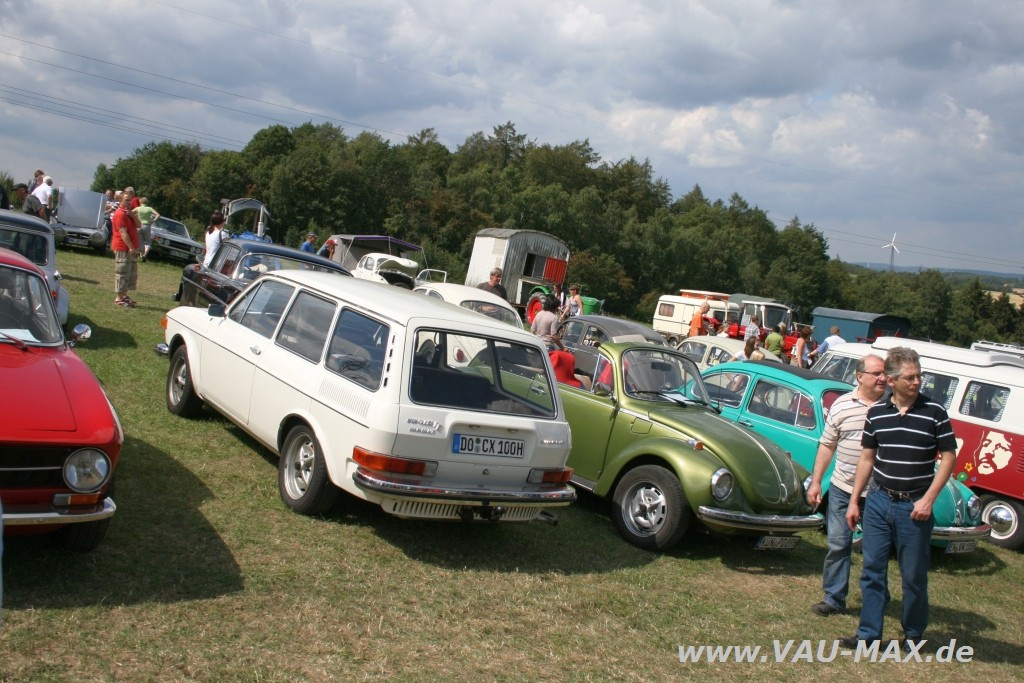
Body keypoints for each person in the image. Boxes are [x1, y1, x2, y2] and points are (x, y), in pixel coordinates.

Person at [840, 347, 957, 651]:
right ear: (891, 380)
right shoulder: (877, 413)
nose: (917, 382)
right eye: (909, 377)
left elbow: (947, 458)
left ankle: (914, 636)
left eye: (919, 376)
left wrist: (928, 500)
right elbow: (867, 459)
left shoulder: (935, 412)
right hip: (878, 502)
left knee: (913, 576)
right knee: (872, 570)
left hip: (914, 506)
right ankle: (868, 635)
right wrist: (855, 500)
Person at [806, 353, 888, 617]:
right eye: (876, 373)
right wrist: (816, 481)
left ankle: (877, 597)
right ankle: (833, 598)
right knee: (839, 543)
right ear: (860, 376)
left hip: (879, 492)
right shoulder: (842, 405)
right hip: (843, 488)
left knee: (876, 551)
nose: (882, 378)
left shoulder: (893, 408)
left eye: (884, 373)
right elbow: (827, 445)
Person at [111, 193, 141, 307]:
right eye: (126, 200)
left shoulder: (129, 213)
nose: (129, 203)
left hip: (131, 249)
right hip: (123, 247)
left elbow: (139, 225)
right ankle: (119, 297)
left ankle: (124, 295)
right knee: (122, 272)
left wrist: (133, 216)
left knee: (130, 273)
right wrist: (132, 248)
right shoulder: (119, 214)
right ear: (120, 200)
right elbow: (123, 233)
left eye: (130, 201)